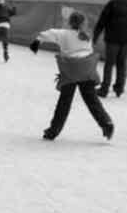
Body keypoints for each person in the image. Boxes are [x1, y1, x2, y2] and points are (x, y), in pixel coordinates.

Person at [30, 11, 114, 142]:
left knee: (64, 101)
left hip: (71, 70)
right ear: (84, 23)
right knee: (92, 100)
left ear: (69, 22)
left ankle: (53, 131)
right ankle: (106, 123)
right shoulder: (86, 36)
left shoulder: (63, 34)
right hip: (87, 70)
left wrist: (37, 41)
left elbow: (47, 33)